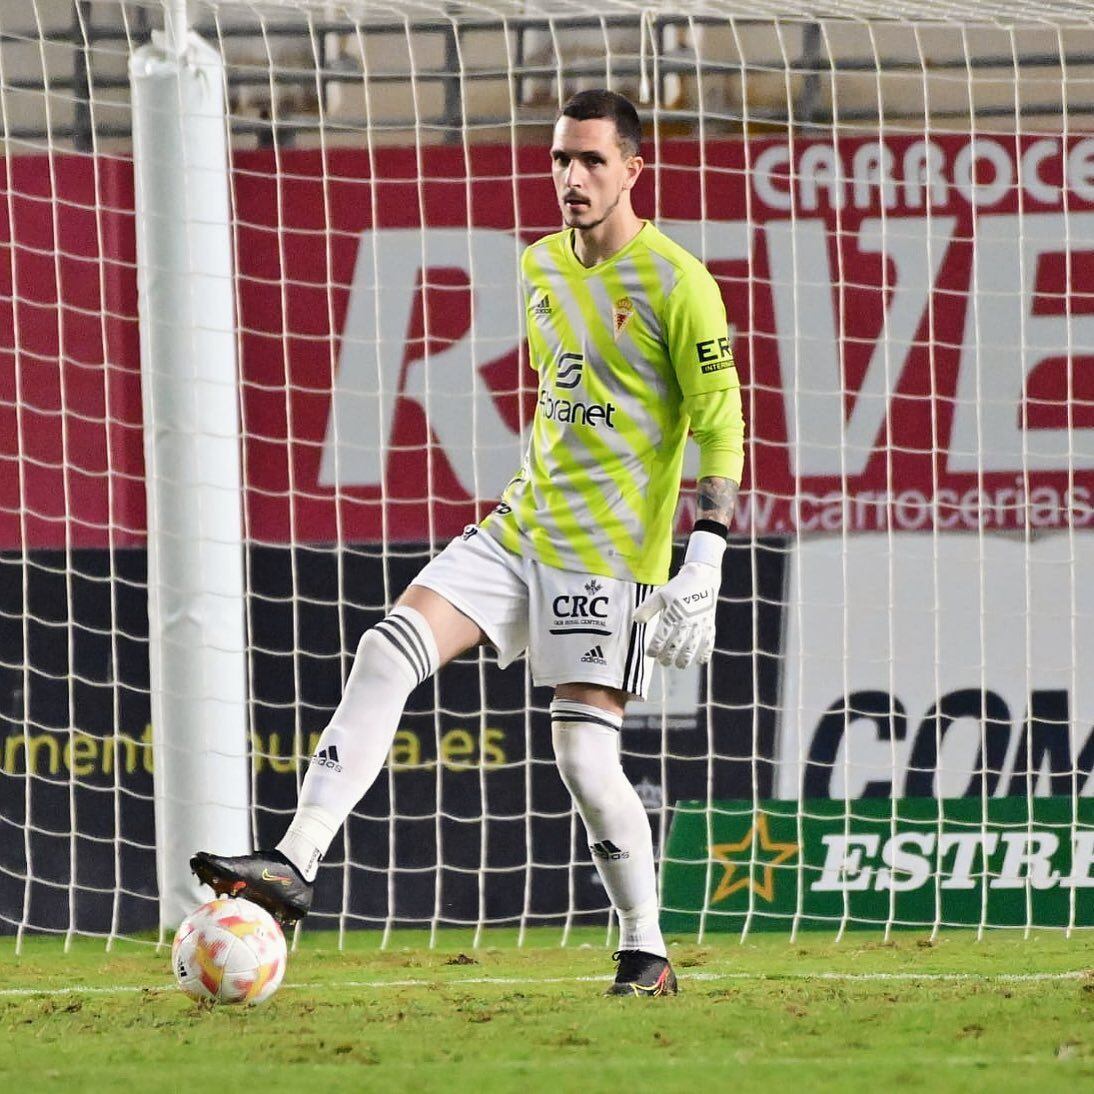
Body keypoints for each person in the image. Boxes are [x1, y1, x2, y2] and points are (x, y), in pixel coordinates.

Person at [193, 88, 745, 998]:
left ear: (634, 170)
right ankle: (295, 863)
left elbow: (719, 424)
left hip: (605, 558)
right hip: (518, 529)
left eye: (593, 161)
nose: (572, 177)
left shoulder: (681, 283)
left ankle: (644, 947)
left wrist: (708, 553)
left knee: (583, 756)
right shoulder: (537, 268)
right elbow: (561, 407)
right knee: (385, 649)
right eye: (562, 158)